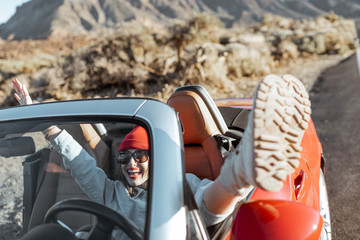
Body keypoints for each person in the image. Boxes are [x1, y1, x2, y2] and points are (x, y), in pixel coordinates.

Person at [13, 73, 311, 239]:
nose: (131, 163)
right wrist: (50, 127)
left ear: (154, 157)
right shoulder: (111, 193)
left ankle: (245, 166)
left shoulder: (179, 187)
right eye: (125, 157)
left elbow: (210, 203)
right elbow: (80, 164)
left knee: (212, 198)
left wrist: (236, 177)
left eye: (140, 156)